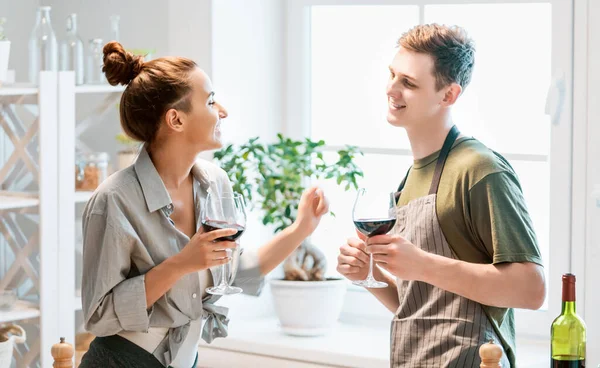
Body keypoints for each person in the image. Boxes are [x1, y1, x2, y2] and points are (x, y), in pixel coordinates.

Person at [80, 42, 329, 368]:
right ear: (176, 120)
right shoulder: (114, 199)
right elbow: (98, 316)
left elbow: (236, 272)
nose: (222, 110)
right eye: (210, 100)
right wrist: (181, 264)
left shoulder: (215, 183)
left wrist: (301, 229)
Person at [336, 24, 546, 367]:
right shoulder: (410, 180)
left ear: (448, 95)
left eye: (409, 83)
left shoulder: (480, 169)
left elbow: (531, 289)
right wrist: (367, 277)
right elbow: (422, 304)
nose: (391, 89)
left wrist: (421, 263)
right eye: (392, 74)